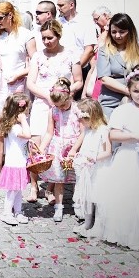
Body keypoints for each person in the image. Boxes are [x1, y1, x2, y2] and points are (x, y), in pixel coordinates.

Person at [86, 68, 139, 250]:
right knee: (128, 194)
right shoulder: (123, 110)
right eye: (136, 91)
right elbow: (113, 135)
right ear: (129, 90)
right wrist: (135, 136)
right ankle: (127, 234)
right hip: (129, 157)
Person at [26, 19, 83, 201]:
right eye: (43, 38)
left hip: (63, 105)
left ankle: (51, 186)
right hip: (42, 103)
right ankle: (34, 186)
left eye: (50, 38)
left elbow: (78, 80)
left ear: (58, 36)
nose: (47, 42)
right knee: (36, 143)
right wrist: (47, 95)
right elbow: (30, 82)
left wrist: (65, 93)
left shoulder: (71, 55)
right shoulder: (38, 56)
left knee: (56, 145)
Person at [0, 2, 36, 177]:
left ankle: (21, 167)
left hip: (18, 86)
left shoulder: (26, 35)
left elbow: (36, 62)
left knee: (18, 127)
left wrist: (21, 73)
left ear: (10, 15)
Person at [36, 77, 81, 222]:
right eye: (58, 106)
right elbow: (49, 132)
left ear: (69, 96)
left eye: (63, 105)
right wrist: (42, 148)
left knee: (77, 178)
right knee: (59, 179)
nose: (60, 108)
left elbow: (83, 132)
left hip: (74, 146)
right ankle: (59, 207)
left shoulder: (77, 110)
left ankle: (78, 205)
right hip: (58, 147)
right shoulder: (53, 111)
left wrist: (74, 149)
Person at [71, 98, 112, 237]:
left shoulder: (103, 130)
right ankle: (87, 223)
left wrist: (94, 158)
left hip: (99, 168)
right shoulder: (88, 130)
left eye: (83, 118)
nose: (80, 121)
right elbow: (85, 147)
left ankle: (98, 226)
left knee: (97, 197)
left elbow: (107, 152)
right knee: (87, 195)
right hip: (87, 168)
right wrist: (79, 156)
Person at [97, 13, 139, 118]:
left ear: (130, 31)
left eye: (122, 32)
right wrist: (129, 91)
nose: (117, 36)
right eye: (114, 32)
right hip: (110, 102)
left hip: (137, 100)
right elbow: (104, 79)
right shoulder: (104, 50)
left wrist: (136, 93)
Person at [0, 92, 32, 226]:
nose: (28, 111)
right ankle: (7, 213)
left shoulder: (16, 125)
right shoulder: (16, 127)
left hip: (20, 162)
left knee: (19, 189)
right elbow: (28, 135)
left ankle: (18, 211)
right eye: (27, 109)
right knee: (12, 190)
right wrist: (23, 120)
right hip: (14, 163)